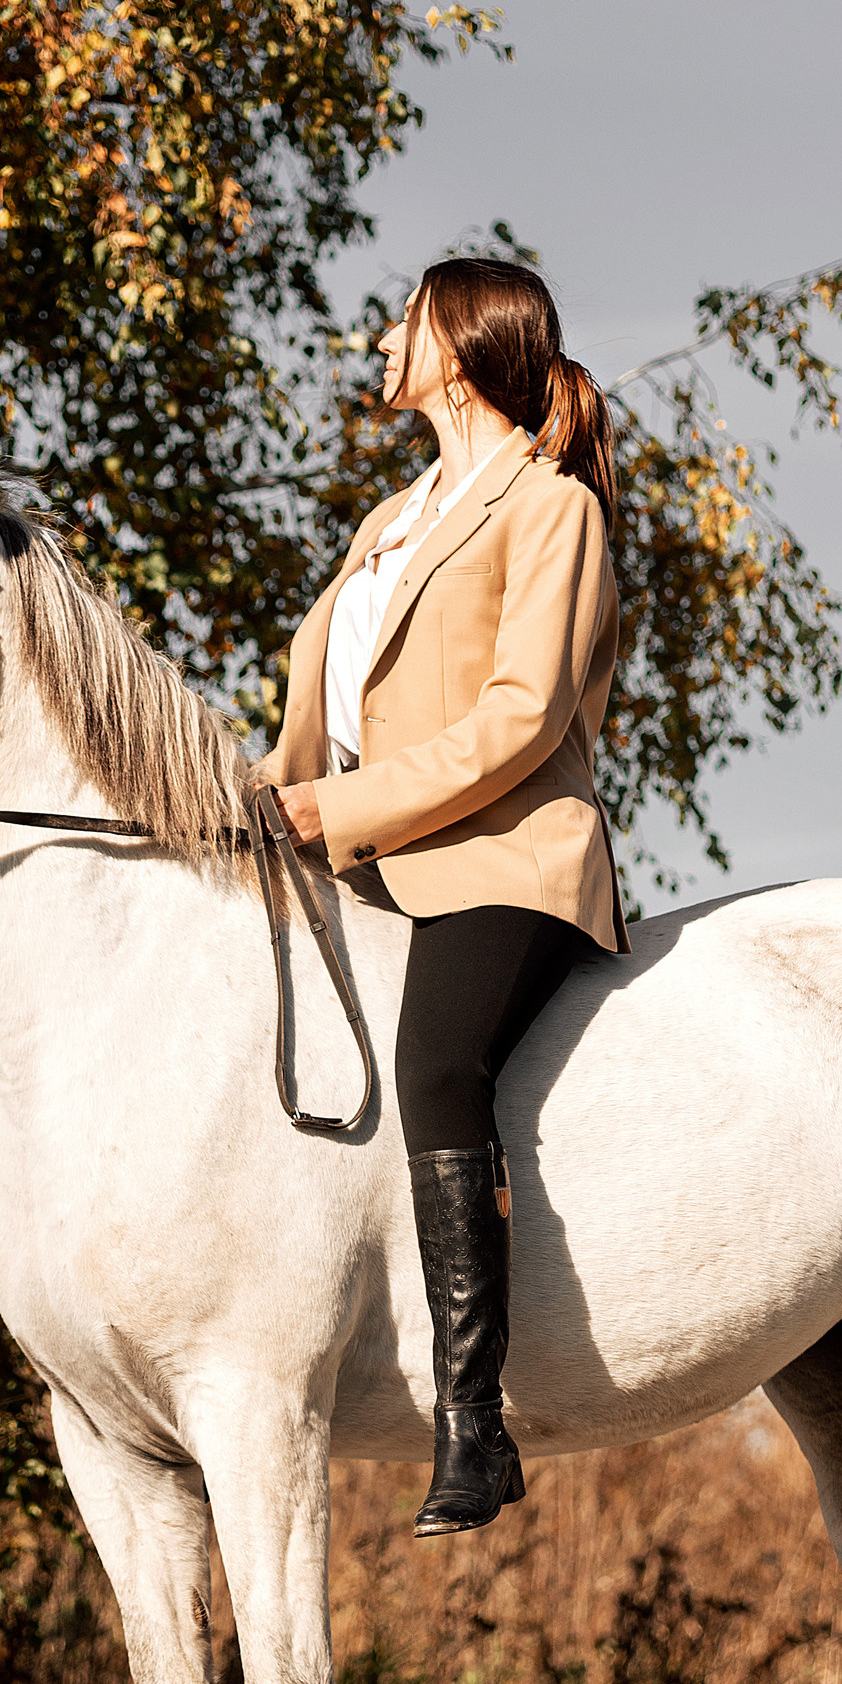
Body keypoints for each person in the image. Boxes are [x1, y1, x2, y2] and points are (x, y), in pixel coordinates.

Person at [260, 258, 628, 1536]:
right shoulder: (393, 518)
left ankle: (472, 1424)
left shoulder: (549, 511)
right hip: (370, 853)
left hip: (508, 855)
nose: (378, 336)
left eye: (402, 319)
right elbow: (317, 718)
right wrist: (248, 806)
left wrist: (340, 813)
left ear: (461, 344)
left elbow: (521, 721)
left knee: (433, 1064)